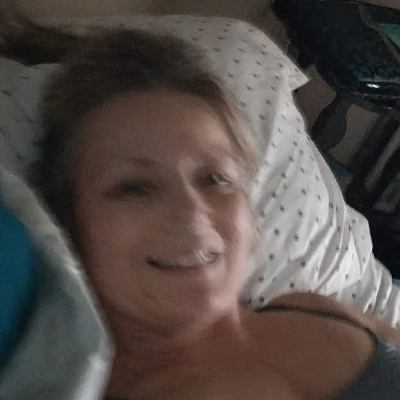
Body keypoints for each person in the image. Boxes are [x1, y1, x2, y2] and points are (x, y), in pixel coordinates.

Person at [34, 29, 400, 399]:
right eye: (134, 187)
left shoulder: (312, 308)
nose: (192, 211)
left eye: (216, 179)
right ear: (72, 224)